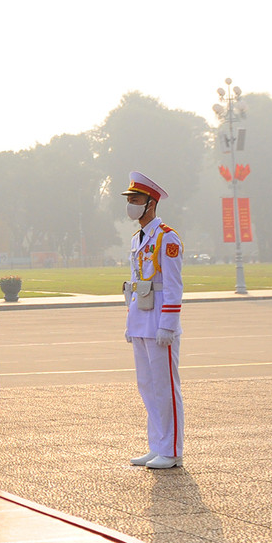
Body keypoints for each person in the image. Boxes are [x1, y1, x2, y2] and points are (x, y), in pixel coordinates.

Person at [121, 171, 185, 469]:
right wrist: (130, 323)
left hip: (160, 321)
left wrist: (168, 325)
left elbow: (172, 285)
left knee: (165, 387)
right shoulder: (138, 239)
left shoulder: (167, 237)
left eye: (136, 200)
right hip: (141, 319)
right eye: (130, 200)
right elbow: (134, 283)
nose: (131, 205)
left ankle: (171, 450)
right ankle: (157, 444)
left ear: (151, 204)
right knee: (146, 384)